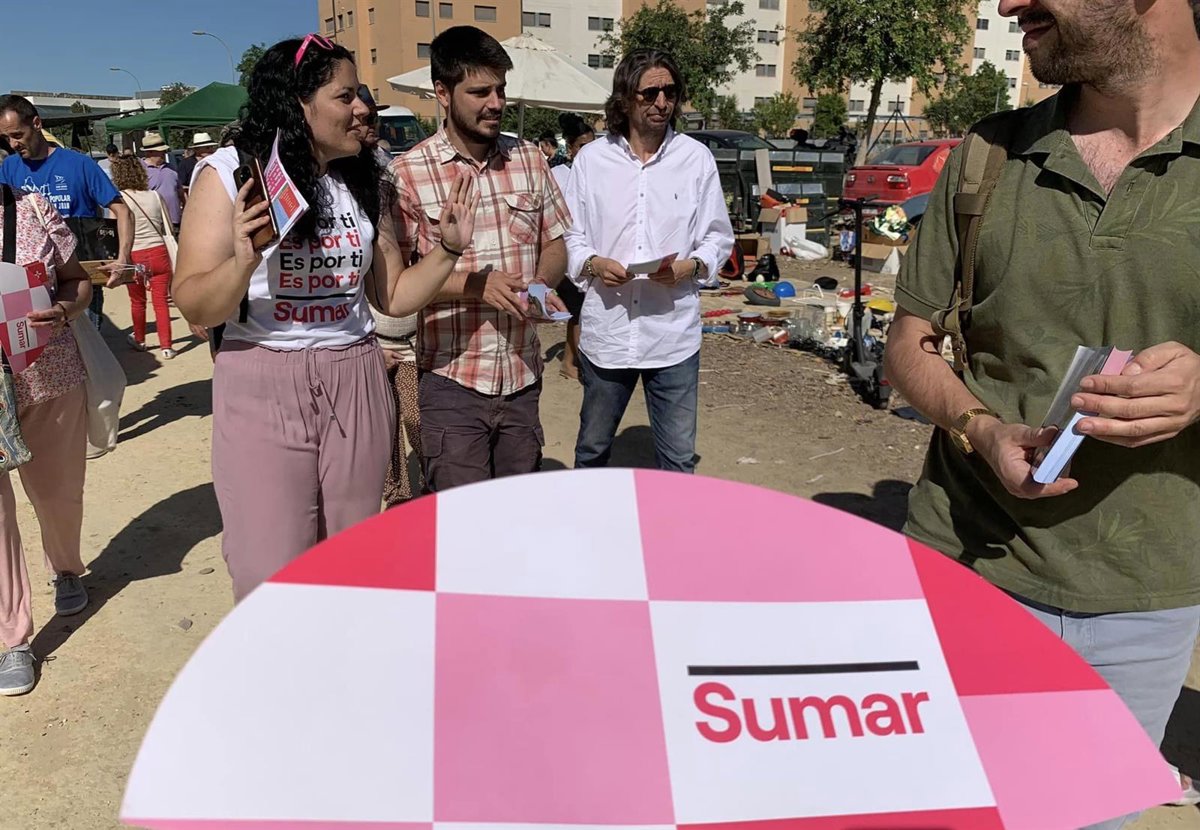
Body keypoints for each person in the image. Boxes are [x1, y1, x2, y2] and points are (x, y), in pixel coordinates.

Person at [883, 0, 1200, 826]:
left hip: (1145, 601)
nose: (1007, 4)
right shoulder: (989, 155)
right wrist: (980, 429)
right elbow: (908, 345)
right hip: (962, 565)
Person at [173, 35, 479, 600]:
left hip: (355, 374)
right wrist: (242, 262)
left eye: (361, 94)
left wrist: (448, 250)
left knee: (350, 559)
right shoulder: (230, 172)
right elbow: (194, 302)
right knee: (267, 566)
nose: (363, 107)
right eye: (346, 96)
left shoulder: (364, 175)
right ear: (298, 102)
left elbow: (393, 297)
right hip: (262, 376)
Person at [390, 26, 571, 493]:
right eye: (480, 92)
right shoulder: (407, 173)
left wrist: (541, 285)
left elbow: (555, 243)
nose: (495, 103)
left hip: (522, 376)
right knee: (460, 522)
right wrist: (476, 285)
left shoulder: (530, 159)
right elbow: (397, 285)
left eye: (501, 90)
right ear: (442, 93)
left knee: (517, 515)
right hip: (451, 381)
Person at [563, 49, 733, 474]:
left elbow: (718, 237)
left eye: (670, 92)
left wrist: (692, 267)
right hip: (609, 335)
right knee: (592, 452)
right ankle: (590, 517)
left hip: (672, 337)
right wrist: (593, 264)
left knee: (678, 460)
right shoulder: (592, 161)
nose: (662, 102)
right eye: (650, 93)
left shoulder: (695, 159)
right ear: (625, 98)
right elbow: (570, 236)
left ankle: (671, 521)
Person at [0, 186, 96, 696]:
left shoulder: (32, 208)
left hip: (48, 377)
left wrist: (63, 310)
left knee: (58, 496)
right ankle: (11, 637)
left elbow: (78, 282)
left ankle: (65, 567)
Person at [0, 95, 133, 331]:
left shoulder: (79, 164)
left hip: (80, 279)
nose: (12, 144)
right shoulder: (9, 167)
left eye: (17, 135)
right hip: (30, 284)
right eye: (5, 138)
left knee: (87, 347)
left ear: (37, 123)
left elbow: (122, 211)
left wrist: (122, 259)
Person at [354, 84, 423, 506]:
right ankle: (397, 500)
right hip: (368, 335)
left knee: (417, 420)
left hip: (410, 331)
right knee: (382, 431)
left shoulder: (390, 177)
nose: (366, 125)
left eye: (370, 118)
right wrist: (366, 345)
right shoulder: (337, 189)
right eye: (359, 117)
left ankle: (429, 491)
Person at [110, 156, 175, 359]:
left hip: (134, 254)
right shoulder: (155, 195)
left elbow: (115, 231)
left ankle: (140, 339)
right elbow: (167, 226)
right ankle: (167, 346)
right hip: (158, 251)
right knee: (161, 301)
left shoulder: (119, 200)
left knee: (137, 301)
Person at [550, 112, 595, 381]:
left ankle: (569, 361)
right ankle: (577, 363)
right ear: (570, 147)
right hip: (565, 252)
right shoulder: (558, 174)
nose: (588, 151)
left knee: (578, 312)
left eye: (592, 144)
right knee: (578, 311)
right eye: (582, 146)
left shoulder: (598, 174)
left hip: (590, 251)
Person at [139, 131, 182, 231]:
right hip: (154, 222)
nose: (164, 153)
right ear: (149, 152)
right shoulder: (140, 170)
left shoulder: (171, 168)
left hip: (174, 221)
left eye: (164, 150)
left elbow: (180, 191)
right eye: (160, 151)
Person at [178, 133, 217, 197]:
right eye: (207, 148)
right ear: (197, 149)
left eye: (211, 147)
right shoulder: (186, 164)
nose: (211, 150)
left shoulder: (215, 163)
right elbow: (182, 186)